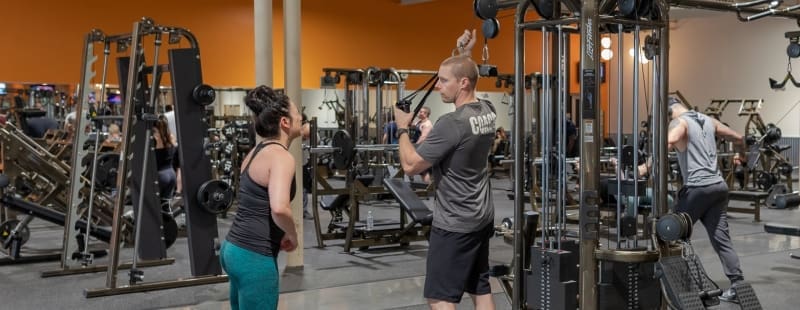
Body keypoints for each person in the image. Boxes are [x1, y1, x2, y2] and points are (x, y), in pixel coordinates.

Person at [394, 29, 496, 310]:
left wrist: (402, 127)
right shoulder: (487, 110)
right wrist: (463, 53)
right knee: (480, 286)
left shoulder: (451, 123)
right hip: (481, 217)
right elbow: (468, 74)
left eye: (443, 80)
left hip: (454, 222)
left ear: (462, 83)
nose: (438, 86)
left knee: (439, 296)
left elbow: (411, 165)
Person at [220, 85, 301, 310]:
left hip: (233, 248)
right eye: (298, 113)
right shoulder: (281, 157)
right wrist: (292, 234)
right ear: (285, 122)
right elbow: (279, 208)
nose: (301, 117)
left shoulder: (256, 151)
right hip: (253, 256)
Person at [666, 96, 747, 303]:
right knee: (722, 240)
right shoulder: (708, 120)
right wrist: (741, 157)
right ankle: (738, 285)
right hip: (719, 188)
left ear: (668, 112)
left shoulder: (679, 122)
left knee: (669, 235)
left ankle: (683, 288)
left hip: (697, 188)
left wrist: (644, 167)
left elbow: (670, 140)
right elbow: (739, 137)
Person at [152, 117, 179, 200]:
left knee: (156, 205)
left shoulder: (157, 139)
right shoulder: (171, 137)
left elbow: (156, 158)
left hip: (160, 176)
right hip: (171, 174)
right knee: (166, 205)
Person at [301, 113, 314, 220]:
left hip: (303, 163)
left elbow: (316, 140)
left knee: (304, 188)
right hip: (291, 164)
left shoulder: (308, 129)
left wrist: (307, 135)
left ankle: (304, 211)